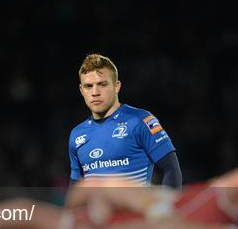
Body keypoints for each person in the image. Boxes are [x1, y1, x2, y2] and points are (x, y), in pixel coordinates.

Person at [69, 53, 182, 188]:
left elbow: (171, 170)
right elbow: (75, 188)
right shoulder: (77, 135)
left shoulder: (141, 121)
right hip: (99, 209)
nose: (95, 92)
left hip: (135, 207)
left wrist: (165, 207)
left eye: (102, 84)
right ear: (81, 90)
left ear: (116, 86)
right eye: (88, 86)